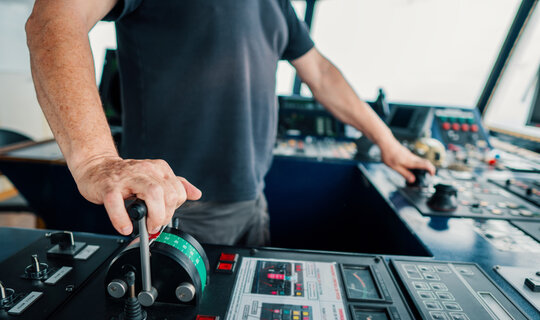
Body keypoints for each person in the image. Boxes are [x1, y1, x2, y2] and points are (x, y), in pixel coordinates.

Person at [25, 0, 435, 246]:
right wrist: (96, 160)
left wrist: (389, 143)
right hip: (177, 205)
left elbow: (322, 74)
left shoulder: (276, 4)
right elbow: (54, 18)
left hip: (254, 199)